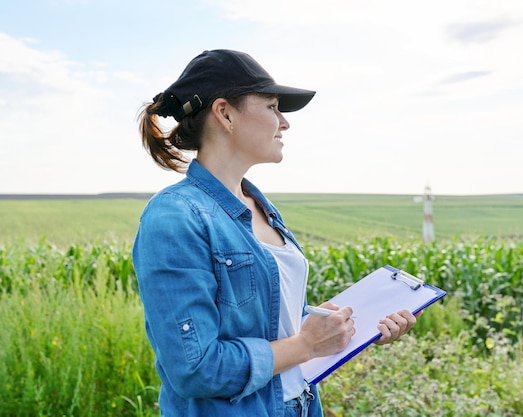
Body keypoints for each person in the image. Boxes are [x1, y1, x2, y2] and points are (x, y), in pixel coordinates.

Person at [132, 49, 419, 417]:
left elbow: (270, 324)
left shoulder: (259, 205)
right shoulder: (174, 217)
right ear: (224, 113)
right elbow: (195, 368)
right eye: (271, 106)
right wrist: (306, 345)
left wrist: (350, 327)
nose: (284, 123)